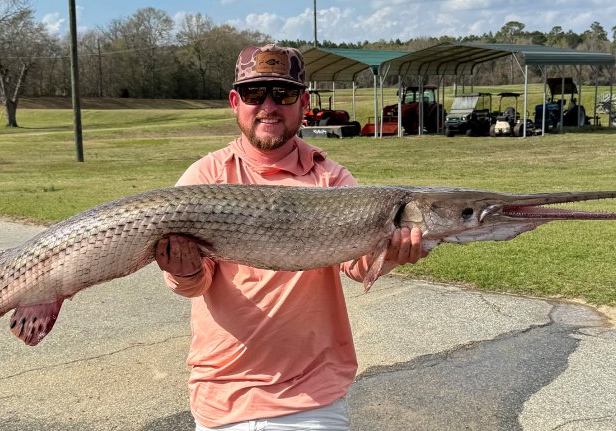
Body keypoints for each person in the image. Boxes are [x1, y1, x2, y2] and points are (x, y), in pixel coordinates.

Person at [154, 43, 428, 430]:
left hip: (311, 399)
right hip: (221, 393)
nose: (269, 105)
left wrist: (395, 253)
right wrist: (181, 271)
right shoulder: (206, 176)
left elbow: (355, 264)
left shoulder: (330, 178)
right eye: (255, 92)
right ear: (236, 101)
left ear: (303, 103)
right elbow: (194, 286)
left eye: (283, 93)